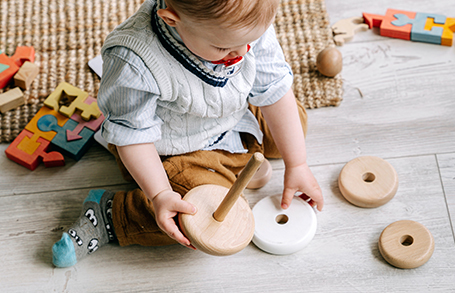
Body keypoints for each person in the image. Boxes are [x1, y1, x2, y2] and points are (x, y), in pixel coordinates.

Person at [52, 0, 323, 268]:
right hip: (174, 149)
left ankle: (237, 160)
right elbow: (134, 136)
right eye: (223, 47)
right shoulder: (133, 59)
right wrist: (159, 195)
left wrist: (297, 163)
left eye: (250, 42)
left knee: (293, 123)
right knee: (197, 217)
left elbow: (273, 86)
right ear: (171, 19)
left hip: (233, 113)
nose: (241, 53)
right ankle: (111, 214)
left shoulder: (245, 23)